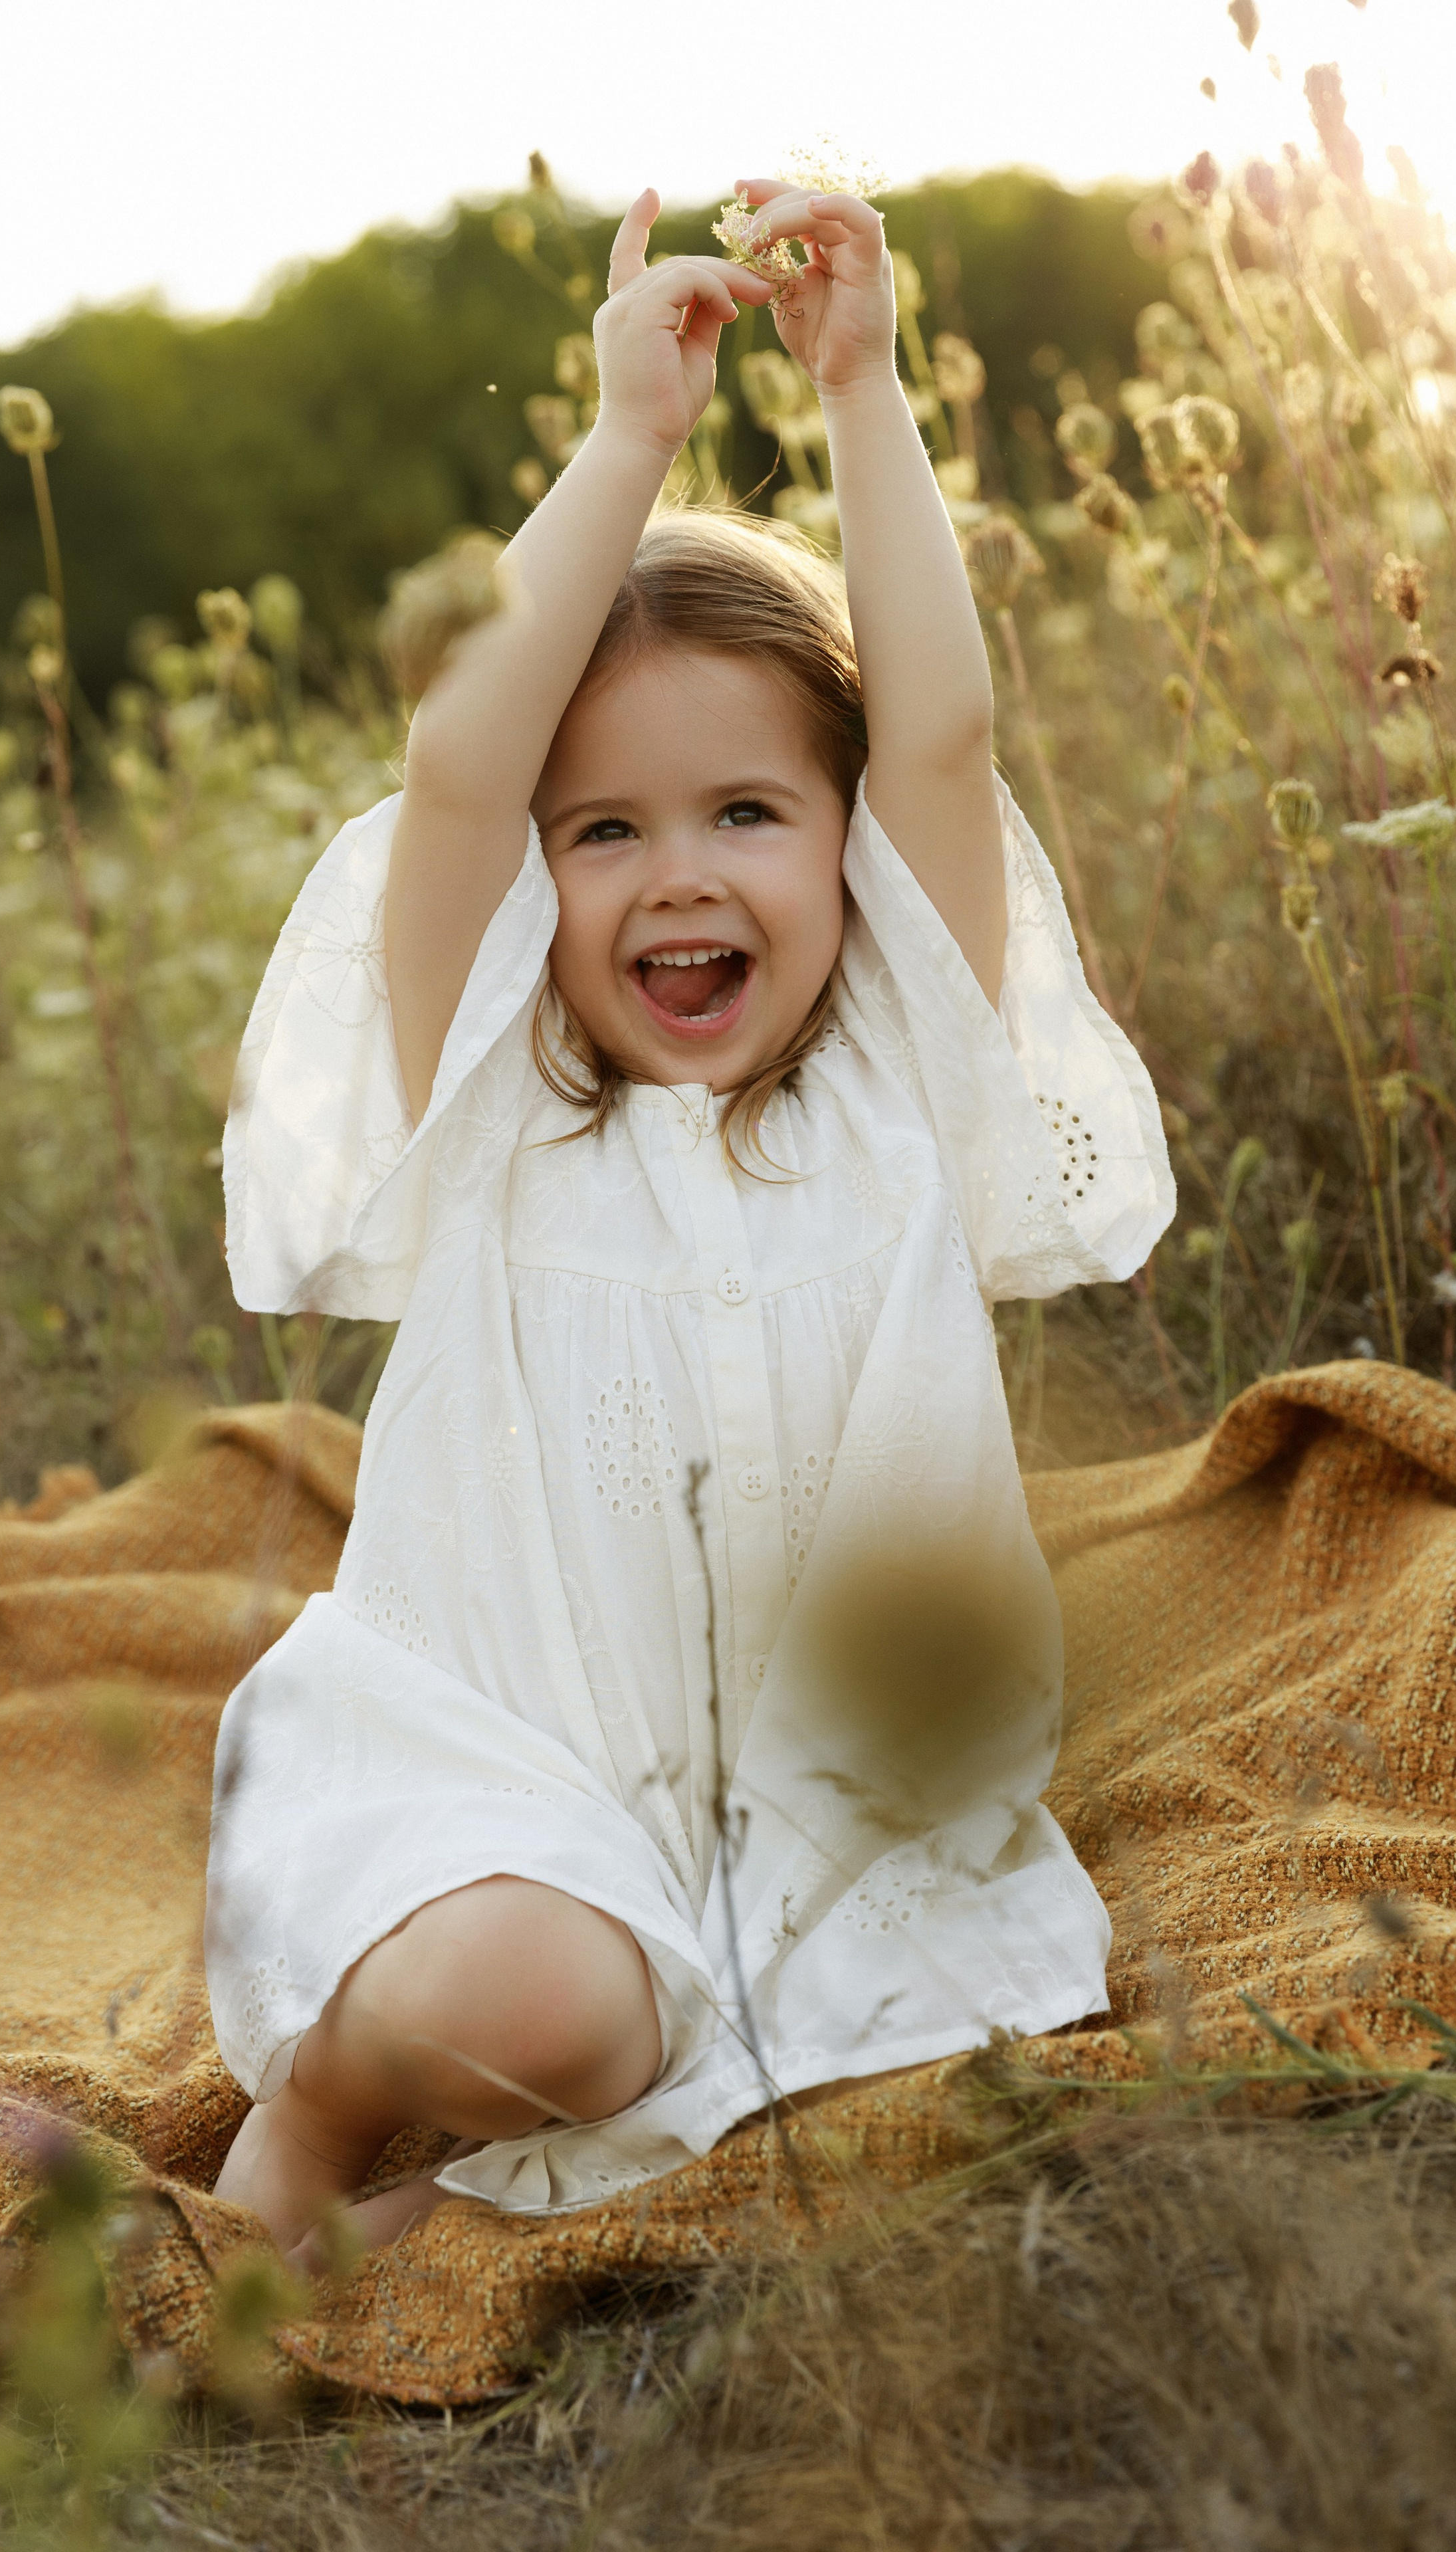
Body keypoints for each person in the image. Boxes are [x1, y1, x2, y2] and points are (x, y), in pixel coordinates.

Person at [207, 179, 1174, 2264]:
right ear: (536, 875)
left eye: (748, 811)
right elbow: (457, 769)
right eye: (605, 832)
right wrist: (629, 436)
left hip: (847, 1838)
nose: (680, 876)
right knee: (545, 2009)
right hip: (512, 1788)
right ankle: (318, 2112)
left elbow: (943, 731)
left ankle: (467, 2197)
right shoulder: (496, 1111)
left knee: (892, 2064)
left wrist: (866, 388)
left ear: (845, 845)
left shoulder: (902, 1084)